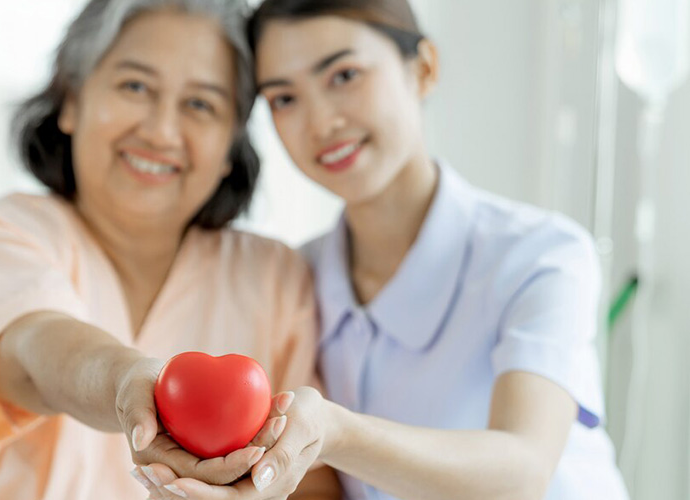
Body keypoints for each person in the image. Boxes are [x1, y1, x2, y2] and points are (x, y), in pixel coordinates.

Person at [136, 1, 629, 499]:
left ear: (424, 68)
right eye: (284, 99)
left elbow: (521, 473)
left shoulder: (539, 255)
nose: (321, 122)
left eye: (344, 75)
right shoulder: (292, 276)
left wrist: (336, 433)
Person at [0, 0, 340, 498]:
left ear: (231, 146)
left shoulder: (273, 275)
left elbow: (313, 480)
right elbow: (35, 353)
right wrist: (125, 383)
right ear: (72, 100)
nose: (160, 131)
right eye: (135, 87)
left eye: (201, 104)